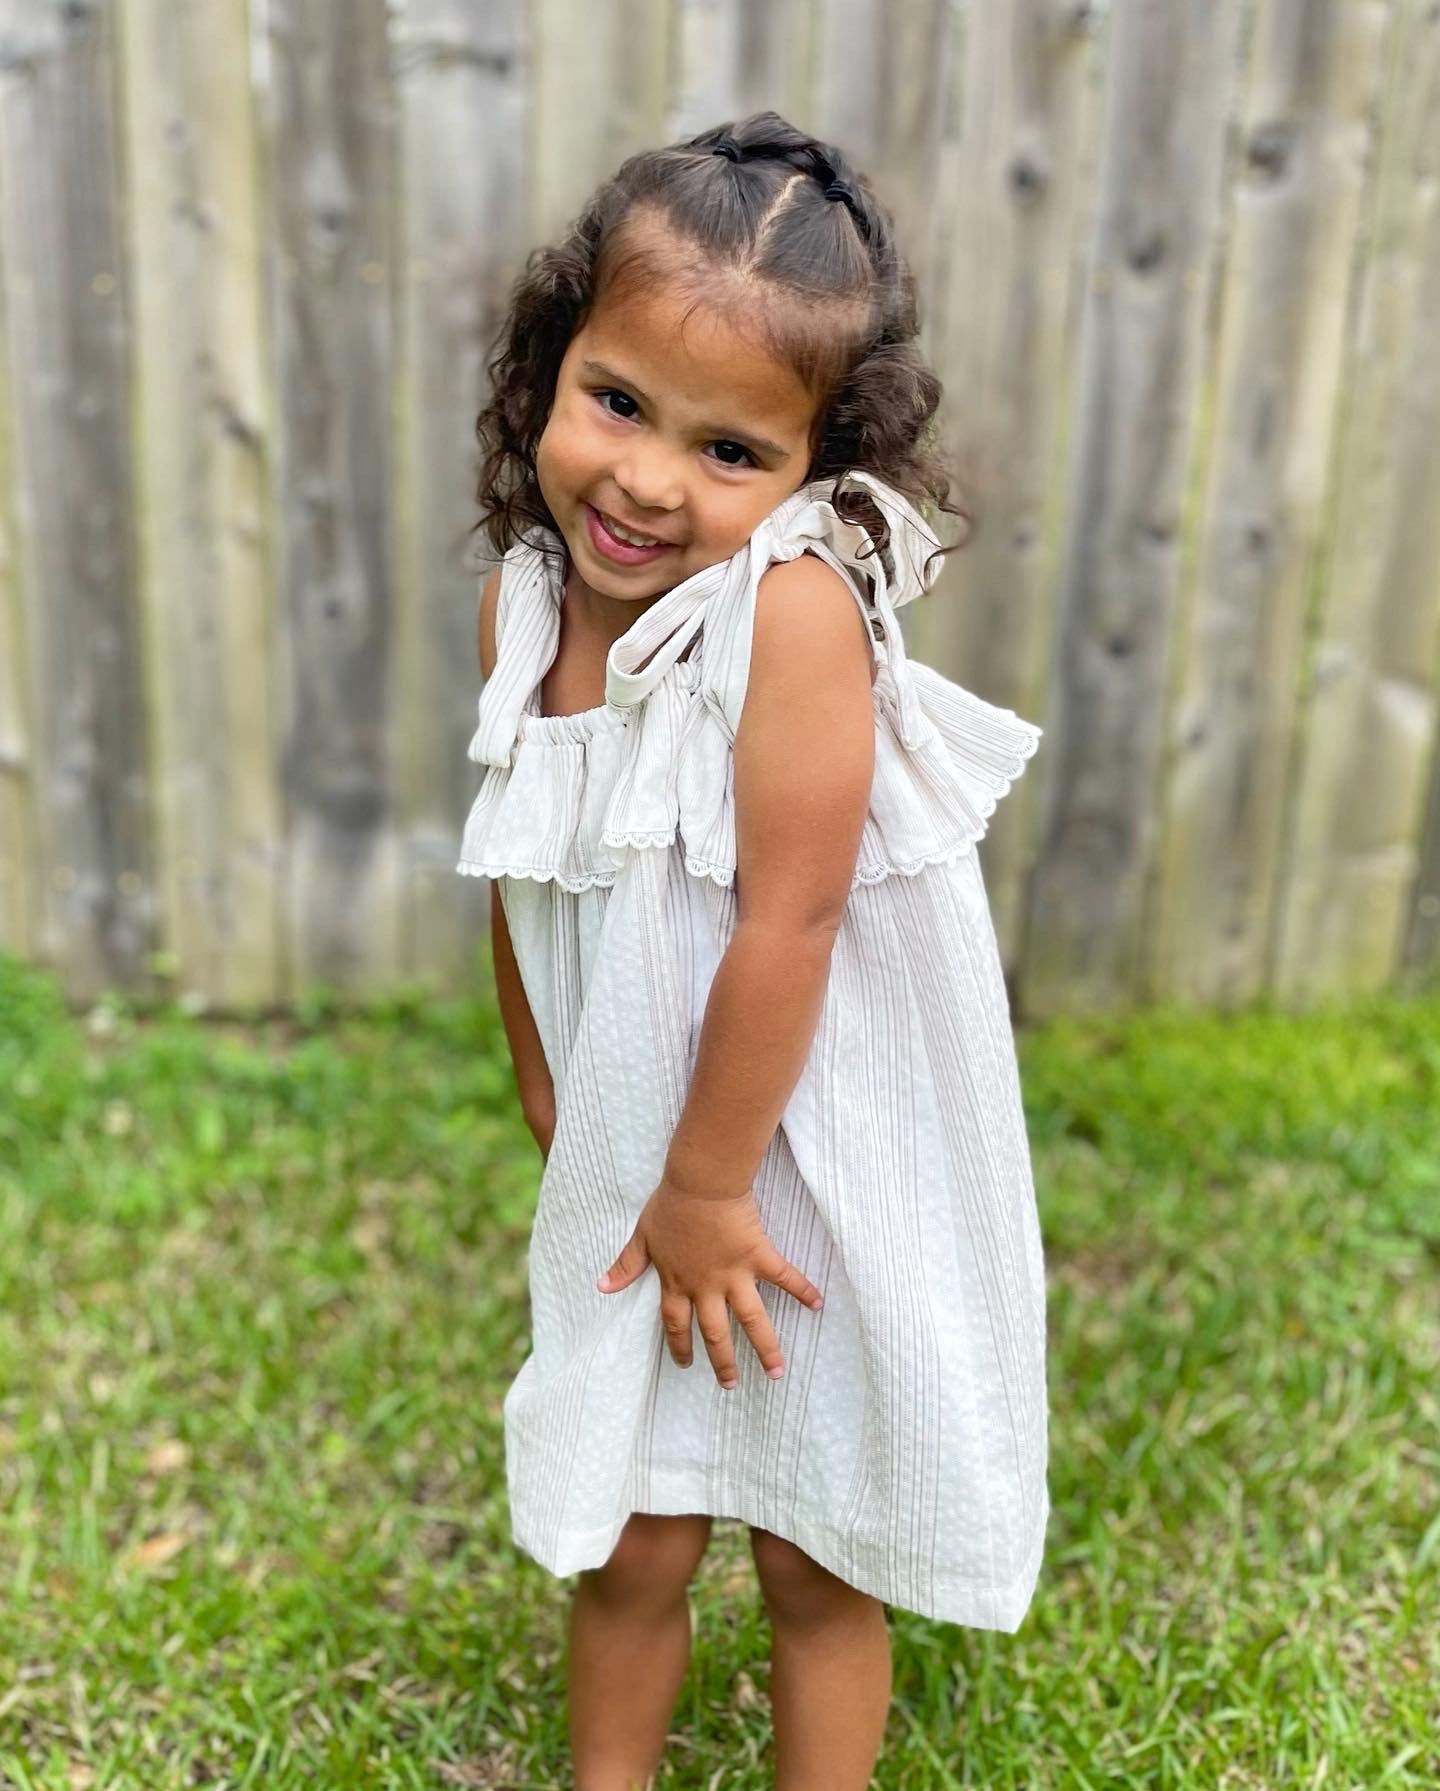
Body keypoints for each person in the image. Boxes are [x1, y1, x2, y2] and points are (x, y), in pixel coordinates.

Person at [458, 110, 1049, 1791]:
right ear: (552, 360)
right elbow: (524, 864)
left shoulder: (787, 615)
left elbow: (790, 920)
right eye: (619, 401)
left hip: (802, 1132)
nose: (646, 478)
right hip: (647, 1127)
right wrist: (544, 1068)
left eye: (732, 449)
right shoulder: (522, 599)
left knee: (807, 1542)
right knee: (635, 1537)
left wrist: (712, 1191)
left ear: (816, 471)